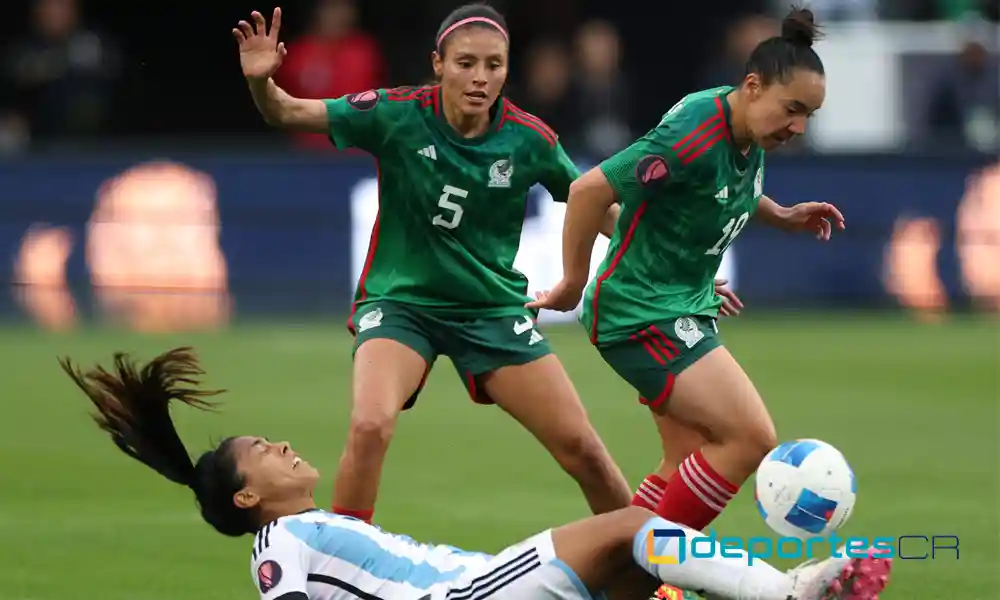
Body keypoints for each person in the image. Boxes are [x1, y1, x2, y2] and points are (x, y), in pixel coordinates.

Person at [231, 3, 642, 524]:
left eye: (494, 65)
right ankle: (337, 570)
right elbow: (286, 112)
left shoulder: (529, 138)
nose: (480, 77)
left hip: (490, 309)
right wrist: (262, 84)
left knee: (583, 449)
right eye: (466, 62)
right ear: (438, 64)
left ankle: (646, 579)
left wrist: (668, 262)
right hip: (402, 305)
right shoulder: (395, 114)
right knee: (370, 426)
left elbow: (596, 207)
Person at [60, 346, 893, 600]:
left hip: (477, 583)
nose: (281, 447)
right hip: (472, 594)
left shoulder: (326, 530)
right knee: (634, 530)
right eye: (263, 452)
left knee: (635, 581)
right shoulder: (281, 544)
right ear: (248, 497)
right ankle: (791, 592)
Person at [528, 6, 845, 544]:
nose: (798, 127)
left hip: (677, 301)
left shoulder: (748, 134)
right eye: (792, 109)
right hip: (641, 312)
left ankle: (617, 572)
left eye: (809, 116)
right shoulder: (693, 131)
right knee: (749, 437)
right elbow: (588, 192)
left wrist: (780, 215)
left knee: (684, 463)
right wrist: (571, 284)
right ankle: (642, 570)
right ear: (751, 86)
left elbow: (722, 192)